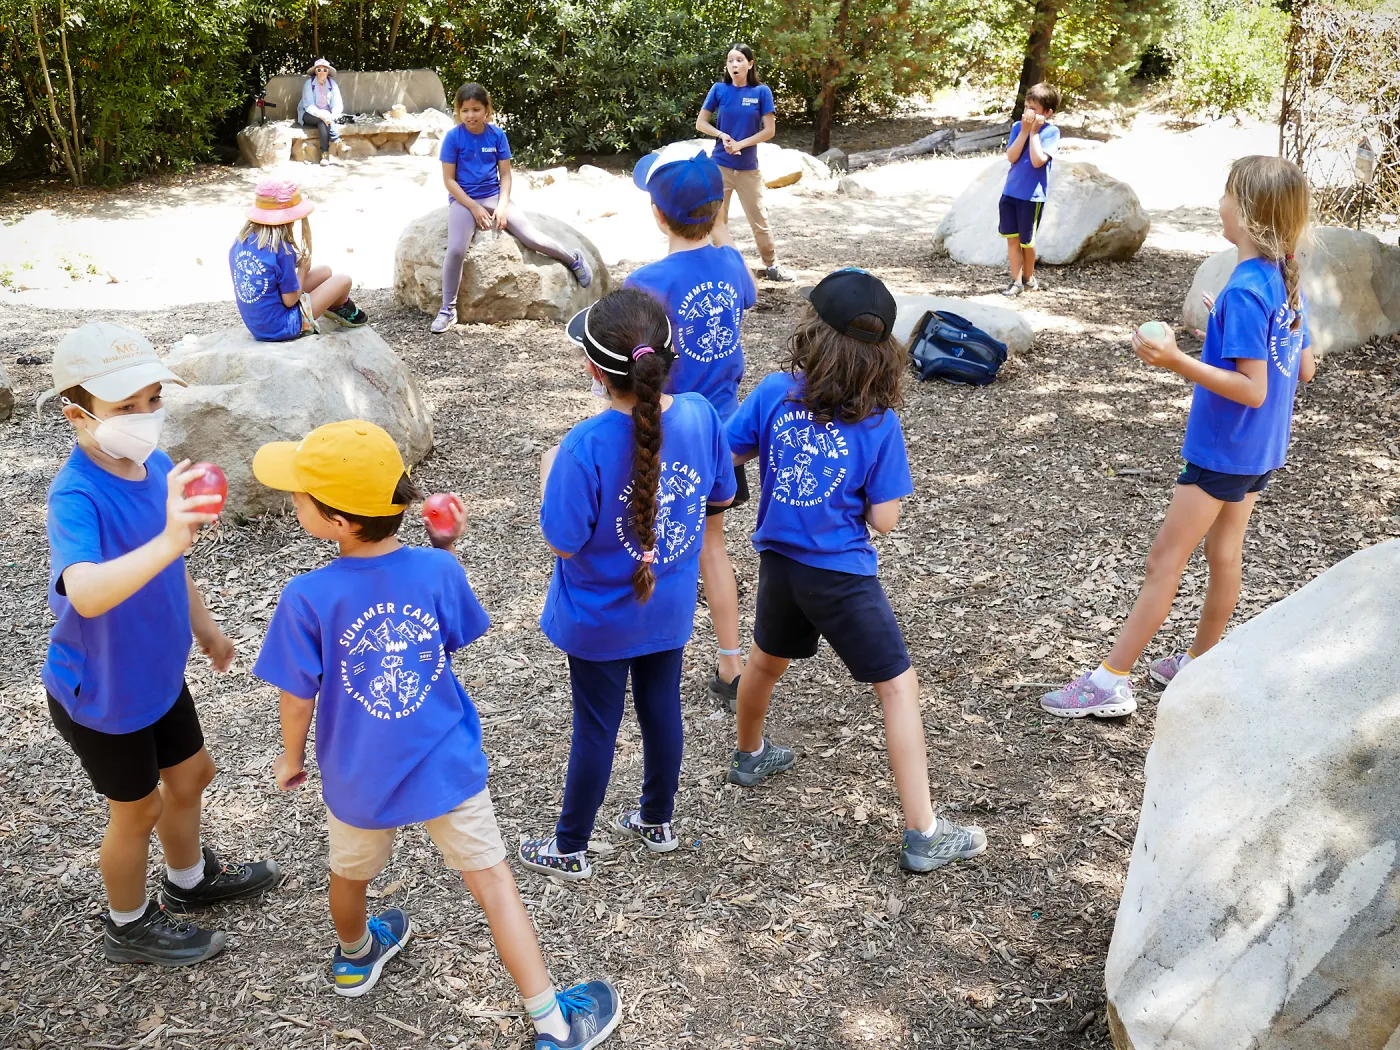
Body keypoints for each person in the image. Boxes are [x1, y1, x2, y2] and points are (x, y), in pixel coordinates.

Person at [250, 420, 621, 1048]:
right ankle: (553, 1025)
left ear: (339, 521)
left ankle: (355, 953)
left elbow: (299, 692)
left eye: (301, 493)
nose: (293, 501)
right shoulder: (436, 571)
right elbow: (440, 635)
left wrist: (291, 758)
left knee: (350, 874)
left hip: (357, 776)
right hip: (443, 763)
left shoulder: (307, 596)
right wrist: (445, 551)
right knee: (494, 883)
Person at [722, 269, 988, 873]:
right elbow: (887, 519)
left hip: (780, 564)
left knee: (765, 659)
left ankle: (748, 753)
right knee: (896, 687)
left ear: (810, 332)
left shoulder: (772, 393)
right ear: (883, 356)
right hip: (841, 574)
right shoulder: (879, 422)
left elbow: (730, 452)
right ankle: (923, 831)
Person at [1041, 156, 1316, 719]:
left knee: (1164, 561)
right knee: (1225, 554)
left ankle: (1111, 680)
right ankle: (1201, 661)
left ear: (1249, 215)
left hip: (1223, 449)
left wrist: (1175, 360)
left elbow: (1252, 388)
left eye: (1226, 195)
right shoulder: (1284, 278)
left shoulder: (1245, 289)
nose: (1220, 204)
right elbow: (1302, 368)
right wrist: (1220, 333)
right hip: (1260, 452)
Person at [41, 322, 278, 966]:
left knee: (193, 774)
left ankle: (189, 880)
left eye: (152, 401)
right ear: (78, 415)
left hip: (156, 670)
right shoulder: (76, 496)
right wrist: (173, 540)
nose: (144, 419)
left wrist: (204, 627)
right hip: (103, 687)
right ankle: (127, 921)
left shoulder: (158, 466)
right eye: (124, 408)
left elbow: (174, 568)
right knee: (137, 807)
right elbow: (85, 593)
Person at [518, 289, 735, 880]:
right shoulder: (701, 415)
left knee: (596, 729)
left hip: (597, 620)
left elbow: (562, 540)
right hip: (666, 610)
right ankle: (658, 819)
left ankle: (569, 847)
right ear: (668, 358)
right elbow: (717, 496)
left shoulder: (582, 447)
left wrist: (547, 477)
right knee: (662, 710)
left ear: (592, 370)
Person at [625, 145, 755, 709]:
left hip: (667, 432)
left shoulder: (647, 281)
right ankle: (731, 663)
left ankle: (639, 648)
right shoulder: (730, 264)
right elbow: (745, 289)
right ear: (718, 209)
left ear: (657, 215)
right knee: (712, 548)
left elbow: (626, 362)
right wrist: (722, 226)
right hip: (721, 434)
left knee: (644, 542)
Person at [431, 83, 592, 334]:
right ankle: (447, 309)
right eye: (465, 110)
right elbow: (449, 181)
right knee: (455, 250)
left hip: (494, 195)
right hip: (464, 200)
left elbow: (505, 175)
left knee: (530, 236)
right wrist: (473, 208)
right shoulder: (454, 138)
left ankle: (573, 260)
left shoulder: (497, 136)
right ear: (458, 112)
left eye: (476, 109)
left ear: (487, 110)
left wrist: (503, 206)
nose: (471, 115)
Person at [696, 44, 793, 282]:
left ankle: (771, 266)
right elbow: (701, 123)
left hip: (749, 169)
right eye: (730, 61)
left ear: (750, 64)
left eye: (739, 60)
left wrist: (741, 144)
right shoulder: (719, 89)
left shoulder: (761, 92)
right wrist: (722, 136)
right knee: (716, 220)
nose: (733, 65)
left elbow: (769, 131)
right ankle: (717, 267)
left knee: (759, 221)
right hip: (719, 166)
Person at [230, 178, 367, 341]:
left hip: (258, 324)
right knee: (343, 280)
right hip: (283, 326)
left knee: (325, 271)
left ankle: (330, 304)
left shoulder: (240, 242)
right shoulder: (282, 251)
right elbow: (290, 301)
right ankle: (339, 306)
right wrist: (303, 269)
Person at [999, 82, 1062, 298]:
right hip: (1011, 192)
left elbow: (1038, 161)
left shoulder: (1051, 132)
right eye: (1027, 107)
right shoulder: (1018, 127)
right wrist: (1025, 131)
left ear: (1048, 112)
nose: (1029, 112)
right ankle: (1015, 281)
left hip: (1032, 196)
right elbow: (1011, 156)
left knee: (1027, 241)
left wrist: (1034, 132)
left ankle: (1029, 278)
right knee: (1012, 239)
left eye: (1034, 109)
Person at [298, 58, 345, 164]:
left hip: (327, 116)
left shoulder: (332, 84)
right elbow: (308, 105)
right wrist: (322, 115)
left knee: (323, 122)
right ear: (315, 71)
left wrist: (332, 117)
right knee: (321, 119)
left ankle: (325, 155)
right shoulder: (309, 84)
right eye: (319, 70)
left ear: (328, 71)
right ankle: (336, 141)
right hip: (308, 114)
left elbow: (338, 104)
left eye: (325, 70)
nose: (322, 73)